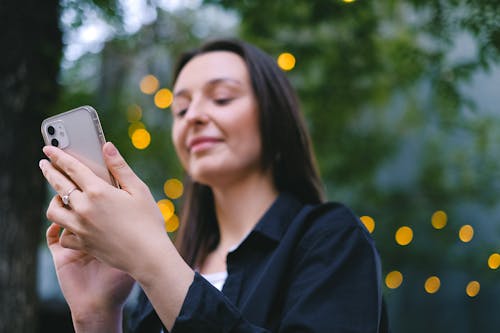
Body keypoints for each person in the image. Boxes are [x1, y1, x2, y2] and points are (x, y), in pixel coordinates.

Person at [39, 38, 389, 332]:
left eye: (221, 98)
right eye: (181, 109)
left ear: (274, 116)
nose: (194, 116)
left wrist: (153, 261)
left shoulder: (331, 239)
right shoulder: (175, 262)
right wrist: (96, 314)